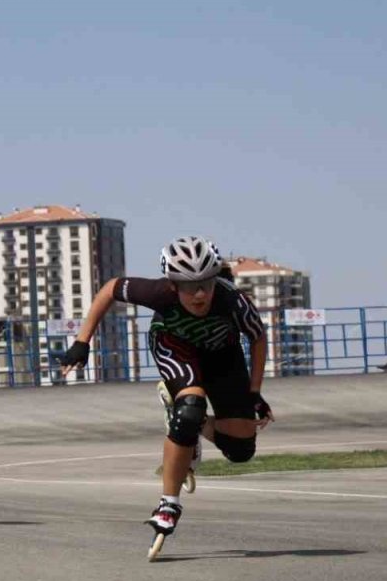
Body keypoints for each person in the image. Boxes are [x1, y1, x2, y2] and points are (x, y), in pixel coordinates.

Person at [60, 236, 272, 558]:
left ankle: (192, 423)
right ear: (173, 286)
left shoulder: (232, 301)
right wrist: (82, 341)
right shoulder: (156, 292)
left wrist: (255, 393)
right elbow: (110, 288)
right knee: (189, 409)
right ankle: (168, 504)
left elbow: (257, 338)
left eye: (206, 284)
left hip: (223, 356)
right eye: (189, 286)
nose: (199, 294)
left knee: (241, 449)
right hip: (176, 349)